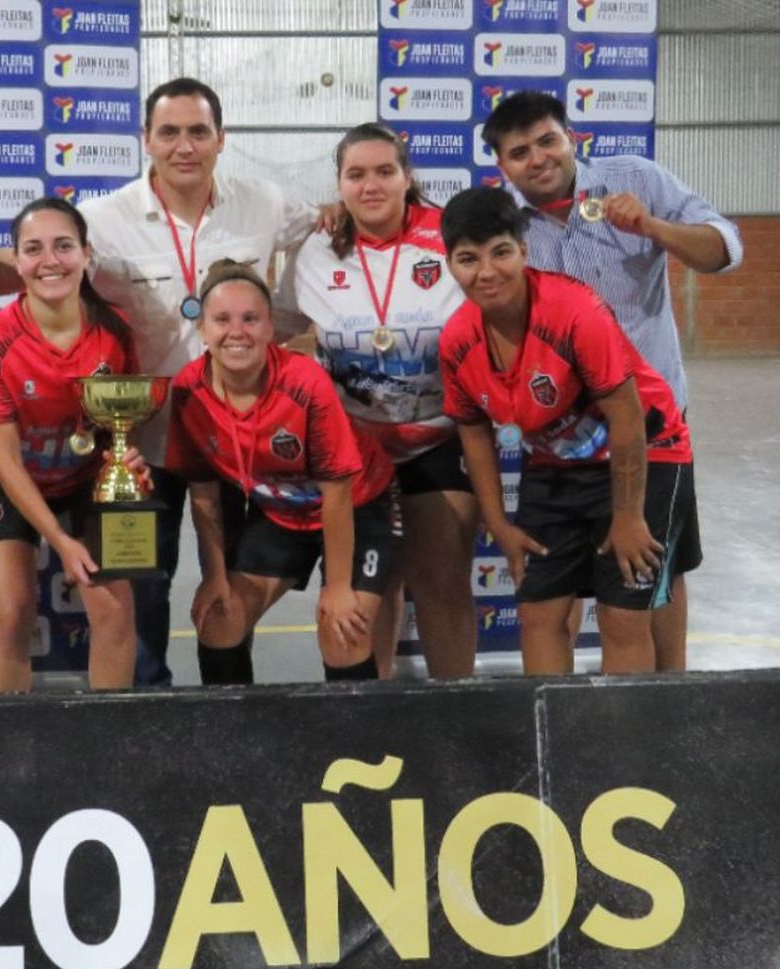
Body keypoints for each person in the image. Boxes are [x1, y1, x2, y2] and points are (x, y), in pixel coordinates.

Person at [482, 91, 741, 671]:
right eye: (519, 152)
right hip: (561, 437)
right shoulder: (504, 227)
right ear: (502, 167)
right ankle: (559, 716)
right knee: (554, 590)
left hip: (651, 427)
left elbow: (725, 249)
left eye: (548, 140)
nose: (538, 158)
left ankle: (669, 693)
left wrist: (652, 226)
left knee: (653, 575)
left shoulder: (636, 180)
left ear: (571, 137)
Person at [77, 77, 320, 686]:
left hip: (238, 442)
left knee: (231, 589)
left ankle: (229, 711)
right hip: (143, 448)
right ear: (146, 140)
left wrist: (297, 332)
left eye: (198, 132)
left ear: (220, 138)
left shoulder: (264, 203)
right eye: (169, 132)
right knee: (145, 591)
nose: (184, 146)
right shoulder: (100, 222)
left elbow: (332, 233)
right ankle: (146, 716)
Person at [437, 186, 697, 675]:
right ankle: (551, 738)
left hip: (649, 450)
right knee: (537, 614)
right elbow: (475, 437)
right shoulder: (457, 341)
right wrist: (499, 525)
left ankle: (619, 745)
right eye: (469, 259)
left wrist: (627, 517)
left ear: (524, 251)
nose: (487, 272)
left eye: (501, 253)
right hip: (558, 465)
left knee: (621, 620)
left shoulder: (575, 312)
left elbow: (626, 416)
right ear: (449, 264)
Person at [286, 123, 476, 680]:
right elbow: (275, 325)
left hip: (437, 438)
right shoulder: (317, 249)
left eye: (384, 172)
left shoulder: (449, 238)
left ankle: (455, 710)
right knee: (375, 584)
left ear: (407, 177)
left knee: (442, 581)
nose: (371, 186)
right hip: (353, 449)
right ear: (339, 183)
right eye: (356, 174)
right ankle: (378, 708)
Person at [167, 261, 396, 684]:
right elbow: (203, 496)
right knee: (221, 619)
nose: (237, 332)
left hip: (359, 506)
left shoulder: (304, 382)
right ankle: (237, 743)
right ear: (201, 329)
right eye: (221, 319)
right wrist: (215, 576)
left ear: (271, 327)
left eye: (251, 318)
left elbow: (338, 493)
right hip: (283, 516)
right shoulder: (188, 391)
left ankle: (357, 747)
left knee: (341, 629)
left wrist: (339, 588)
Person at [0, 197, 140, 693]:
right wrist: (60, 541)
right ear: (17, 261)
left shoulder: (114, 332)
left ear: (86, 253)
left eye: (64, 246)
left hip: (85, 479)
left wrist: (128, 458)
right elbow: (4, 458)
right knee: (11, 610)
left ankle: (107, 742)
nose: (50, 261)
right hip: (5, 482)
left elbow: (119, 427)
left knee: (113, 608)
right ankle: (9, 747)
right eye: (34, 249)